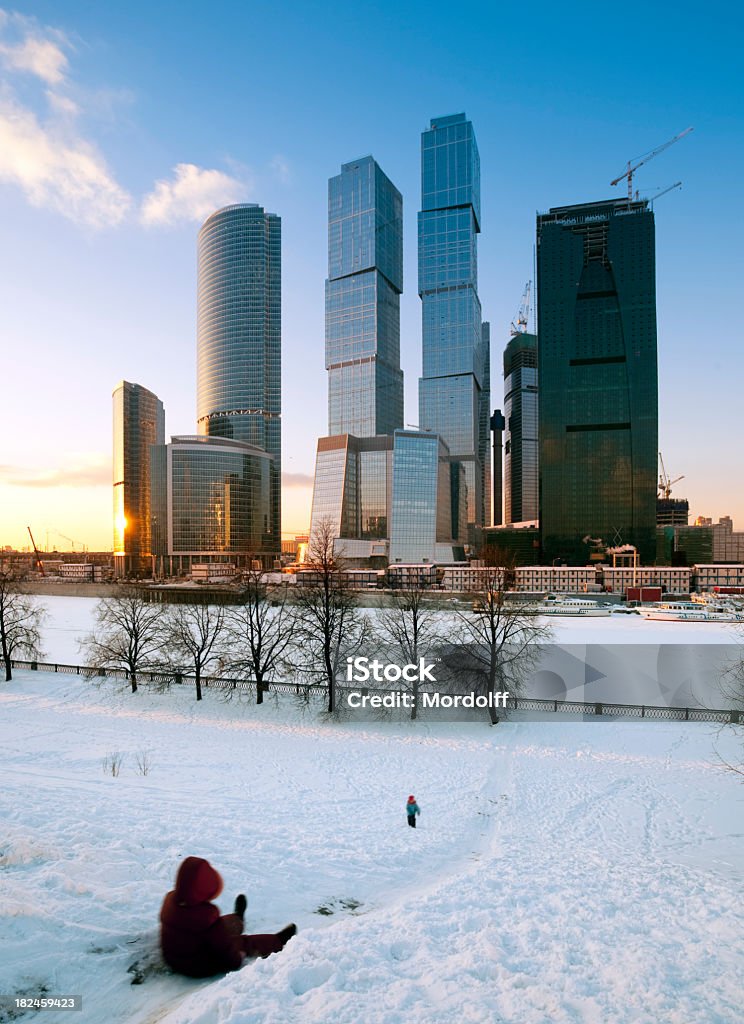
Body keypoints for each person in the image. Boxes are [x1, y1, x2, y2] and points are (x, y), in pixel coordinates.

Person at [160, 856, 296, 978]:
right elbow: (225, 952)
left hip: (173, 959)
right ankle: (277, 941)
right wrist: (237, 959)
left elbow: (204, 926)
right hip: (198, 967)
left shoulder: (171, 900)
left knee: (219, 925)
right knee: (239, 942)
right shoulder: (207, 919)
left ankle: (237, 919)